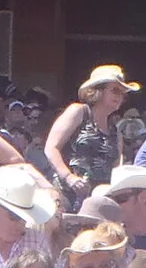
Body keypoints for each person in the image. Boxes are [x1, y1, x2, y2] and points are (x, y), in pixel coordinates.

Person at [45, 65, 132, 200]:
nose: (119, 96)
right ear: (98, 90)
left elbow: (115, 169)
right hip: (67, 194)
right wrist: (69, 177)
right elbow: (51, 148)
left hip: (99, 199)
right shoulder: (79, 112)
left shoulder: (116, 133)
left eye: (123, 93)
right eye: (115, 90)